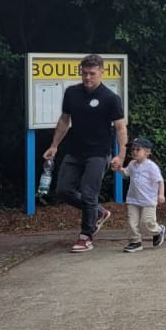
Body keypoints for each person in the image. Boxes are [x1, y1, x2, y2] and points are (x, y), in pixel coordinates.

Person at [43, 54, 128, 254]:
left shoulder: (110, 98)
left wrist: (121, 155)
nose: (87, 77)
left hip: (99, 153)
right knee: (63, 190)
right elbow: (64, 120)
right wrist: (54, 145)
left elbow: (120, 128)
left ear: (101, 72)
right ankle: (98, 212)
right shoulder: (72, 93)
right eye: (84, 73)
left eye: (92, 73)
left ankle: (85, 236)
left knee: (89, 193)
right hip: (75, 151)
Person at [117, 137, 166, 252]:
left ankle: (158, 231)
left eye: (138, 149)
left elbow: (160, 181)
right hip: (133, 199)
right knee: (132, 222)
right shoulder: (132, 164)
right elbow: (126, 173)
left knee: (146, 222)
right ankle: (135, 242)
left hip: (148, 200)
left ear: (147, 152)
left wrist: (161, 194)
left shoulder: (151, 166)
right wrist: (119, 169)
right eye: (133, 149)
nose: (134, 152)